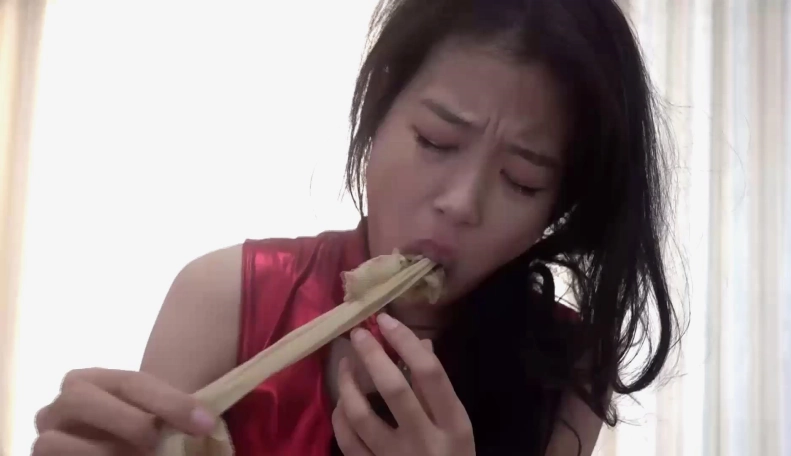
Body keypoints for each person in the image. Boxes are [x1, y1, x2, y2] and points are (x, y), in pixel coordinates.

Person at [32, 0, 682, 455]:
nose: (461, 204)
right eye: (435, 140)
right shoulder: (225, 296)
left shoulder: (565, 364)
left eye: (522, 181)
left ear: (557, 209)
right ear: (378, 112)